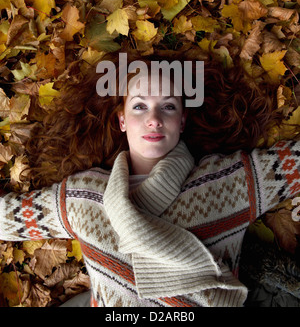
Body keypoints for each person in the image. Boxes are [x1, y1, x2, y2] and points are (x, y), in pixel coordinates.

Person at [0, 49, 299, 307]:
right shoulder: (84, 196)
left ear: (182, 121)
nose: (153, 119)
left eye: (167, 107)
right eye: (139, 106)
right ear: (121, 120)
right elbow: (7, 219)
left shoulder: (229, 182)